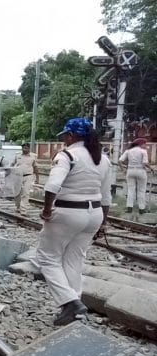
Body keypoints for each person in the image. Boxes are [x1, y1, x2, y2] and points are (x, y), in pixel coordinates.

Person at [36, 118, 111, 326]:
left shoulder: (67, 155)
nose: (64, 140)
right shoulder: (102, 159)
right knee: (74, 260)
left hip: (69, 211)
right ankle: (75, 309)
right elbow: (106, 197)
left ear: (72, 136)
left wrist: (47, 210)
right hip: (94, 213)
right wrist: (103, 222)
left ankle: (70, 302)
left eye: (66, 136)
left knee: (47, 258)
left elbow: (52, 185)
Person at [119, 138, 152, 214]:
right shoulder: (143, 151)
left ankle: (129, 208)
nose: (145, 145)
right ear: (140, 144)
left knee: (130, 190)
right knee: (141, 190)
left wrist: (123, 170)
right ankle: (141, 209)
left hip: (130, 171)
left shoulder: (128, 151)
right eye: (144, 144)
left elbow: (120, 161)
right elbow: (145, 163)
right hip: (141, 171)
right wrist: (151, 168)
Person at [13, 142, 39, 216]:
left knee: (26, 193)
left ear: (29, 148)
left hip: (28, 176)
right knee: (17, 193)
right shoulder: (17, 155)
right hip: (18, 176)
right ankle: (18, 207)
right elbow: (12, 165)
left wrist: (37, 178)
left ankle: (23, 210)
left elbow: (35, 167)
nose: (25, 149)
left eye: (26, 147)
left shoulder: (33, 156)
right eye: (23, 147)